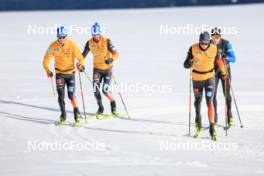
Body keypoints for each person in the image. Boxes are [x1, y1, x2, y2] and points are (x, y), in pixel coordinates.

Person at [184, 31, 228, 141]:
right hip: (197, 79)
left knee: (210, 102)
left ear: (209, 41)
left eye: (206, 43)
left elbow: (219, 60)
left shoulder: (214, 48)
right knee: (197, 103)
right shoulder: (193, 48)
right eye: (202, 43)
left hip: (209, 78)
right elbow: (185, 64)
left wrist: (224, 73)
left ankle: (212, 128)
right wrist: (188, 63)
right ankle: (198, 126)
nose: (204, 45)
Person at [43, 26, 85, 123]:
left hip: (70, 74)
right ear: (57, 36)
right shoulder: (53, 46)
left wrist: (80, 65)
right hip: (60, 74)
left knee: (71, 95)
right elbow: (45, 61)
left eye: (63, 37)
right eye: (59, 37)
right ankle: (63, 114)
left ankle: (76, 113)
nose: (61, 39)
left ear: (66, 36)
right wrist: (48, 70)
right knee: (61, 95)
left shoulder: (72, 44)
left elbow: (81, 58)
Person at [82, 22, 119, 115]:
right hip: (97, 69)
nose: (96, 37)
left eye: (98, 34)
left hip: (107, 69)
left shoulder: (107, 41)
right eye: (94, 35)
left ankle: (113, 103)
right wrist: (80, 64)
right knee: (95, 90)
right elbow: (83, 55)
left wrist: (111, 59)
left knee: (105, 90)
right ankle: (100, 108)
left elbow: (116, 53)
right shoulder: (89, 43)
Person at [211, 27, 236, 128]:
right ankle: (214, 117)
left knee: (226, 94)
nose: (215, 39)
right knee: (212, 95)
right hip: (213, 72)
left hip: (225, 71)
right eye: (213, 36)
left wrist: (226, 58)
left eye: (217, 36)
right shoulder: (208, 44)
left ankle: (229, 116)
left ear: (220, 36)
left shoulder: (226, 43)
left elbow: (234, 58)